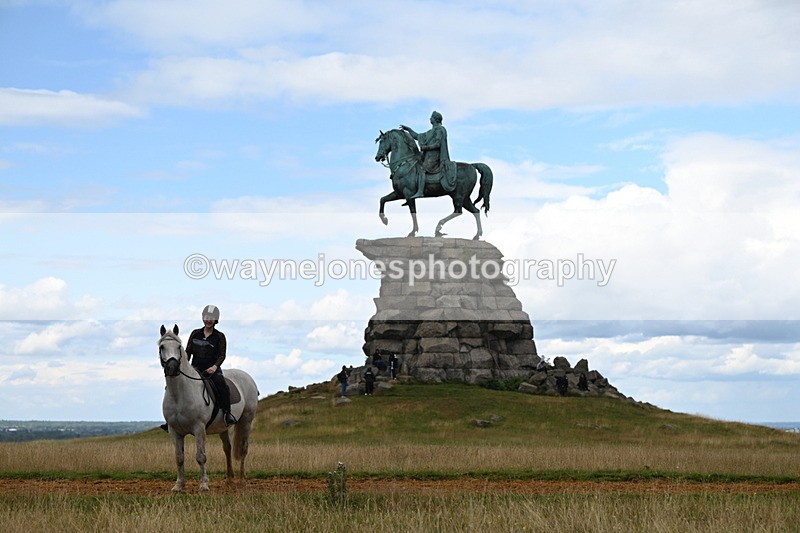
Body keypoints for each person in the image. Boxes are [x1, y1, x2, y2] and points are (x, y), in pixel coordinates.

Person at [186, 305, 237, 426]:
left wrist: (214, 367)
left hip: (212, 369)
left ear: (216, 320)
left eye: (211, 318)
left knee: (222, 386)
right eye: (206, 317)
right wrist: (185, 366)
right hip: (195, 368)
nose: (208, 320)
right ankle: (172, 418)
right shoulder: (195, 334)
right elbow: (188, 351)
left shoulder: (220, 336)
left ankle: (227, 413)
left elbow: (221, 355)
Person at [399, 111, 451, 200]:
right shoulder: (430, 132)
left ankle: (420, 191)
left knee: (422, 169)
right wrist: (409, 129)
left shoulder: (440, 129)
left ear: (435, 119)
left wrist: (425, 148)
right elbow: (417, 136)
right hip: (427, 156)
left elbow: (438, 144)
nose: (430, 118)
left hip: (435, 156)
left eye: (431, 117)